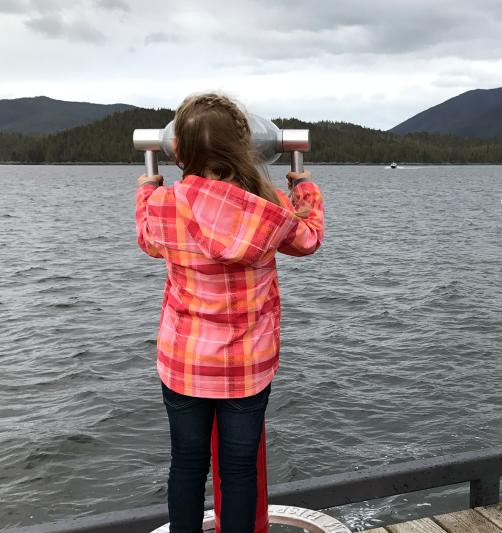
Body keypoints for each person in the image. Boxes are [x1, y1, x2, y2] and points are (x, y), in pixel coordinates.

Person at [135, 93, 324, 533]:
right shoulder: (269, 206)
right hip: (246, 365)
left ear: (177, 149)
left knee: (186, 465)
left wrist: (148, 184)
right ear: (246, 146)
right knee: (239, 471)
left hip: (184, 362)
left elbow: (148, 240)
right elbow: (309, 239)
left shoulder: (163, 206)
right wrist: (304, 185)